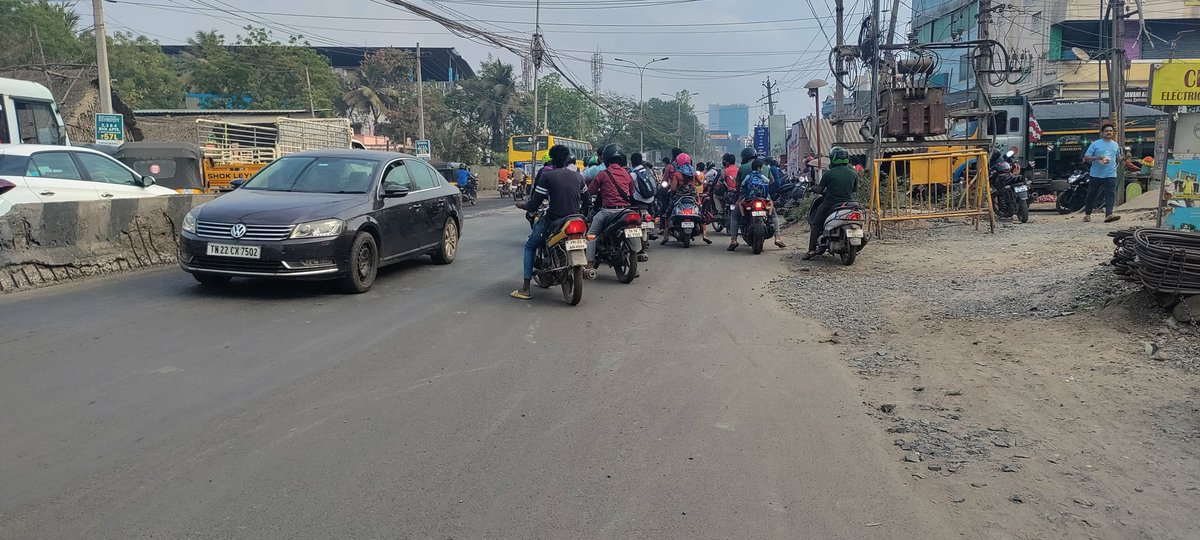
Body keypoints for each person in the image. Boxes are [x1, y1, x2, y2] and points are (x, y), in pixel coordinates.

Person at [512, 145, 584, 300]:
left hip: (554, 219)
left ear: (552, 160)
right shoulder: (578, 177)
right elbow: (587, 201)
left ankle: (525, 288)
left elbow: (534, 204)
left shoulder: (548, 176)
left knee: (530, 245)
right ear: (567, 160)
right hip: (576, 218)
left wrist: (523, 206)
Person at [584, 144, 635, 277]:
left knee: (591, 236)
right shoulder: (627, 174)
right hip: (625, 211)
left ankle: (589, 265)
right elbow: (631, 192)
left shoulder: (602, 174)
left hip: (608, 211)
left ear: (606, 159)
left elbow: (590, 191)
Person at [803, 147, 858, 260]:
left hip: (830, 204)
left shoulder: (829, 174)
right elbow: (854, 190)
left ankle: (811, 250)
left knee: (816, 224)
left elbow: (819, 189)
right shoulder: (853, 173)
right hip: (848, 204)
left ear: (833, 159)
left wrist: (812, 188)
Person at [727, 157, 785, 251]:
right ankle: (777, 238)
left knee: (734, 217)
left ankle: (733, 240)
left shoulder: (742, 168)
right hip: (764, 198)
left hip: (747, 197)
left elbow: (739, 185)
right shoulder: (766, 168)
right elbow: (772, 181)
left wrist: (739, 195)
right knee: (774, 215)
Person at [1082, 124, 1122, 223]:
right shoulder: (1095, 144)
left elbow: (1118, 157)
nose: (1109, 132)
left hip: (1110, 173)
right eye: (1106, 131)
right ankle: (1087, 214)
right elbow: (1086, 158)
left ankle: (1109, 214)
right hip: (1096, 174)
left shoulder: (1115, 145)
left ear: (1113, 133)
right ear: (1102, 133)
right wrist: (1098, 158)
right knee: (1091, 194)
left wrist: (1125, 157)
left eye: (1111, 131)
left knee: (1110, 194)